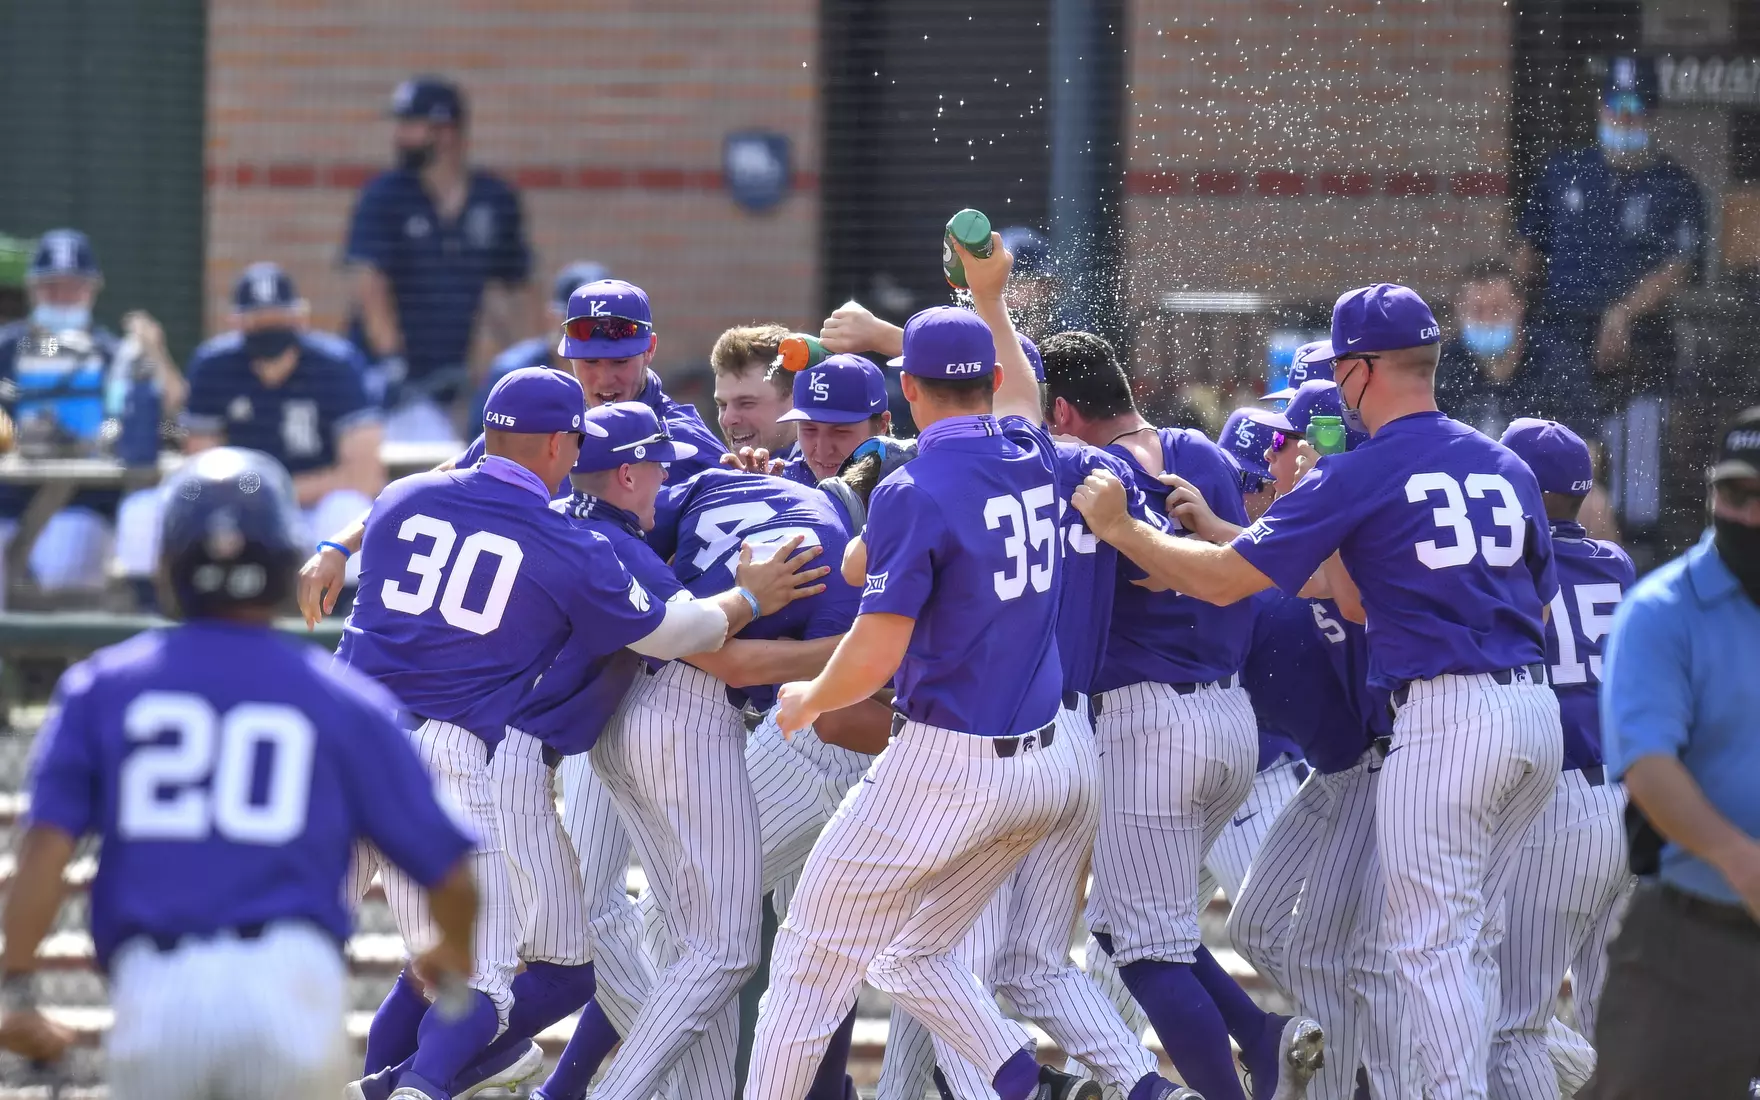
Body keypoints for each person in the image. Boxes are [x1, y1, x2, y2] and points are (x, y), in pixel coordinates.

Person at [1071, 284, 1564, 1100]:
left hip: (1449, 718)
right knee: (1471, 942)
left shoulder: (1363, 468)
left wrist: (1126, 531)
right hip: (1530, 713)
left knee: (1426, 947)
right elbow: (1364, 594)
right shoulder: (1502, 461)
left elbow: (1230, 586)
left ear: (1363, 370)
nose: (1336, 386)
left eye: (1341, 369)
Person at [745, 243, 1125, 1100]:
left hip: (949, 762)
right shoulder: (1032, 447)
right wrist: (992, 299)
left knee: (807, 959)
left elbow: (876, 652)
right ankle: (1023, 1079)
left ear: (904, 391)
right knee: (910, 953)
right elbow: (1023, 392)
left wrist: (811, 697)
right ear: (987, 380)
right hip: (1049, 761)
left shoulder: (913, 488)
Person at [0, 447, 479, 1099]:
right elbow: (451, 870)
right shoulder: (338, 696)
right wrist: (450, 952)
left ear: (169, 564)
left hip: (156, 991)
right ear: (285, 562)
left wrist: (18, 985)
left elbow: (45, 850)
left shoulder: (103, 686)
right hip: (293, 987)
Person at [1039, 328, 1317, 1100]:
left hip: (1151, 724)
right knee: (1140, 927)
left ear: (1061, 410)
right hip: (1229, 720)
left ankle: (1236, 1075)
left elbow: (1160, 573)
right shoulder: (1199, 447)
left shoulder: (1090, 472)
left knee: (1143, 949)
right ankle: (1260, 1039)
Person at [295, 277, 726, 623]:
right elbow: (444, 483)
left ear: (649, 350)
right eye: (590, 363)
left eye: (619, 362)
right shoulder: (543, 419)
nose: (604, 379)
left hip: (642, 645)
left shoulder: (684, 440)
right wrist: (339, 546)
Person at [1584, 406, 1760, 1098]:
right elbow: (1651, 769)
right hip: (1689, 938)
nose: (1745, 513)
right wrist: (1742, 862)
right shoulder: (1662, 610)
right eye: (1733, 494)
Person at [1489, 419, 1634, 1099]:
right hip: (1631, 805)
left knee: (1511, 1026)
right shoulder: (1616, 561)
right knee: (1620, 1027)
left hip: (1558, 811)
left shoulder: (1508, 570)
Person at [1516, 55, 1707, 568]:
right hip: (1559, 351)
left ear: (1652, 114)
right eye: (1614, 103)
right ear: (1599, 106)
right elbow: (1528, 256)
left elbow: (1681, 267)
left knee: (1636, 498)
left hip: (1640, 362)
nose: (1623, 117)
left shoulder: (1676, 186)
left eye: (1636, 107)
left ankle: (1626, 587)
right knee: (1557, 480)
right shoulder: (1563, 172)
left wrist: (1621, 313)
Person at [115, 262, 386, 603]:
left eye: (276, 319)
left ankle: (339, 633)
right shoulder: (214, 365)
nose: (267, 329)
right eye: (257, 320)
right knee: (141, 511)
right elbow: (201, 463)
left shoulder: (337, 365)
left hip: (308, 509)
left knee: (347, 510)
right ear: (236, 321)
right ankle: (155, 626)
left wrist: (275, 492)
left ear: (299, 317)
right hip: (236, 507)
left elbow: (363, 477)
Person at [343, 75, 534, 444]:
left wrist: (522, 362)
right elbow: (370, 284)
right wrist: (392, 363)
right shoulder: (385, 196)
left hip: (452, 372)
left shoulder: (494, 199)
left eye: (409, 125)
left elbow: (512, 289)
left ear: (446, 132)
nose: (399, 135)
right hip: (387, 377)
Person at [0, 229, 183, 598]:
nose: (63, 297)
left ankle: (55, 654)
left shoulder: (112, 351)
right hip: (9, 500)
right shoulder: (9, 345)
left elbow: (173, 405)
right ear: (33, 290)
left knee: (66, 572)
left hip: (85, 502)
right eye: (52, 287)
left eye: (73, 287)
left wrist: (155, 352)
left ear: (92, 290)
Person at [470, 260, 609, 431]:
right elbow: (482, 444)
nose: (590, 334)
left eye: (599, 325)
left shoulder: (622, 379)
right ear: (553, 318)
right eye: (579, 323)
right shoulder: (515, 374)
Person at [774, 353, 891, 485]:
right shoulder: (777, 479)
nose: (823, 451)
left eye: (840, 431)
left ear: (882, 426)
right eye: (809, 429)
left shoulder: (907, 491)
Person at [710, 323, 798, 455]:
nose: (727, 419)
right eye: (722, 405)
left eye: (746, 403)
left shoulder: (830, 470)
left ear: (796, 398)